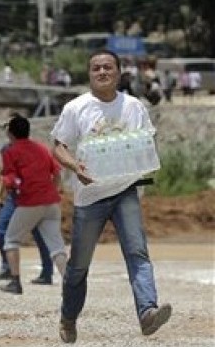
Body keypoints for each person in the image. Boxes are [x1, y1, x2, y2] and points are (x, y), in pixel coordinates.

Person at [52, 49, 171, 343]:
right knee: (79, 265)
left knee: (137, 253)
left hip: (126, 189)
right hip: (90, 195)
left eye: (108, 67)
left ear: (118, 72)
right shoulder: (75, 108)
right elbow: (58, 146)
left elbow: (147, 139)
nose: (102, 72)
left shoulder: (134, 107)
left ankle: (147, 312)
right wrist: (73, 166)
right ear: (89, 74)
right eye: (96, 68)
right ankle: (68, 318)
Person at [0, 114, 67, 295]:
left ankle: (15, 282)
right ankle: (69, 284)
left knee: (11, 240)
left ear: (10, 133)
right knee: (56, 246)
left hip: (30, 201)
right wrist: (54, 190)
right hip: (51, 202)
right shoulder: (42, 148)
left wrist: (13, 186)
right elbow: (57, 173)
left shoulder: (11, 151)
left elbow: (10, 179)